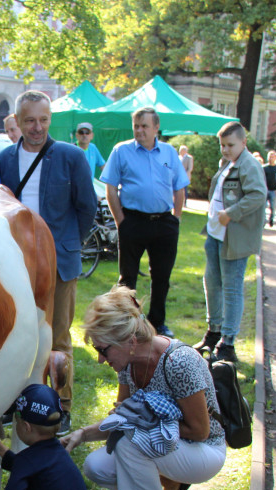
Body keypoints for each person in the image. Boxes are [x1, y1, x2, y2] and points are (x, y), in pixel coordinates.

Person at [63, 288, 226, 490]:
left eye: (103, 350)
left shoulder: (179, 362)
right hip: (168, 446)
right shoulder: (128, 365)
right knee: (96, 467)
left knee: (131, 442)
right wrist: (83, 435)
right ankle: (168, 483)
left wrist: (146, 424)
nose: (99, 360)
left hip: (204, 451)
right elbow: (125, 418)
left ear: (129, 341)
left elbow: (200, 431)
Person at [0, 90, 98, 434]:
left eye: (43, 120)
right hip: (15, 263)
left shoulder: (71, 157)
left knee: (58, 338)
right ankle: (15, 400)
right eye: (29, 121)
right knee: (15, 334)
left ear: (49, 119)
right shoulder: (5, 159)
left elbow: (87, 208)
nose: (37, 128)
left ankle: (62, 405)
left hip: (59, 262)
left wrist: (68, 244)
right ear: (17, 121)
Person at [100, 107, 189, 339]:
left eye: (144, 126)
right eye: (136, 126)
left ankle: (157, 322)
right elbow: (110, 188)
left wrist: (176, 219)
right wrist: (121, 221)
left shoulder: (169, 153)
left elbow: (180, 187)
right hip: (133, 221)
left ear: (156, 128)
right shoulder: (122, 151)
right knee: (127, 277)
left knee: (162, 276)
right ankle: (128, 321)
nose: (139, 130)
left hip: (164, 223)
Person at [194, 122, 267, 364]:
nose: (225, 150)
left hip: (234, 239)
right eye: (222, 145)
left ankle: (228, 343)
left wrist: (231, 213)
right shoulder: (228, 163)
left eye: (230, 145)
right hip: (215, 235)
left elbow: (258, 195)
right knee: (212, 283)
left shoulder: (249, 165)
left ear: (243, 143)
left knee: (232, 288)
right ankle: (213, 333)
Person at [263, 150, 276, 229]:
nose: (271, 158)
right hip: (265, 189)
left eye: (273, 157)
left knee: (273, 207)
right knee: (263, 206)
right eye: (270, 157)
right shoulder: (264, 168)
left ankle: (271, 219)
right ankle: (263, 221)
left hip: (274, 189)